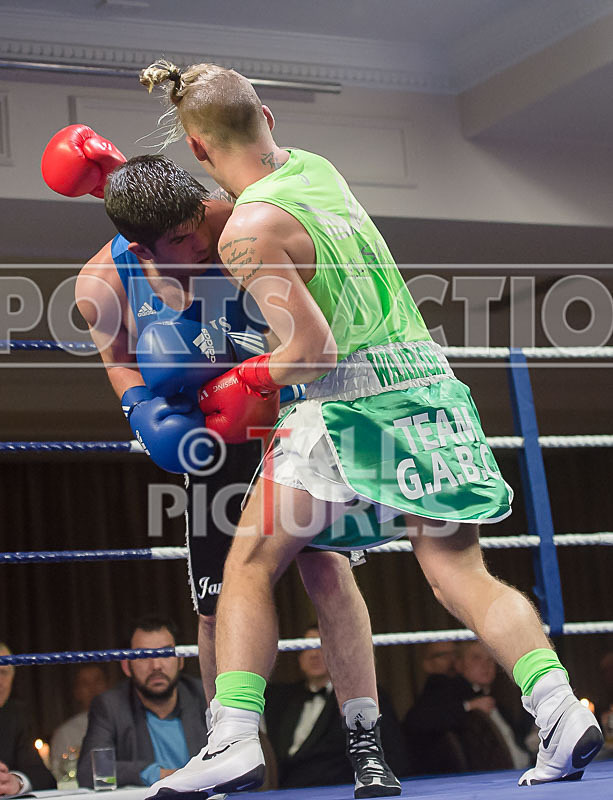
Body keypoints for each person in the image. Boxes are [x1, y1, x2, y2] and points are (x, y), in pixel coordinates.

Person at [136, 59, 603, 796]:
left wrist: (246, 379)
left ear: (196, 150)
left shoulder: (247, 232)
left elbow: (310, 348)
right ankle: (556, 705)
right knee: (458, 571)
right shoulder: (318, 169)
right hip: (431, 388)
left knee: (249, 566)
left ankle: (231, 741)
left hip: (347, 405)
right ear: (269, 120)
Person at [41, 134, 401, 796]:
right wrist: (142, 411)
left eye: (199, 221)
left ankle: (365, 742)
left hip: (289, 412)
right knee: (214, 603)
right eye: (181, 239)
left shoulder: (234, 216)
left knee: (326, 570)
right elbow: (118, 359)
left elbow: (311, 318)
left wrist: (251, 371)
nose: (202, 238)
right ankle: (226, 745)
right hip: (209, 437)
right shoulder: (102, 283)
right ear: (144, 248)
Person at [265, 626, 408, 789]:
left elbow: (392, 749)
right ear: (299, 657)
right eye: (307, 647)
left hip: (339, 790)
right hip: (283, 791)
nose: (314, 654)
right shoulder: (281, 698)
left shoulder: (362, 696)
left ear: (337, 653)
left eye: (321, 646)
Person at [77, 616, 206, 788]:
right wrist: (160, 775)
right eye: (144, 656)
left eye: (166, 654)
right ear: (126, 666)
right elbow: (88, 772)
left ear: (180, 660)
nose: (156, 666)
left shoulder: (205, 695)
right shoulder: (110, 706)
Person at [404, 640, 533, 773]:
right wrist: (468, 706)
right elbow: (416, 720)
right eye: (476, 658)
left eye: (490, 659)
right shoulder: (447, 693)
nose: (486, 665)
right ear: (459, 664)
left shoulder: (499, 703)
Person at [0, 642, 56, 795]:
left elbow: (45, 779)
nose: (0, 682)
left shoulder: (16, 717)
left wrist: (15, 782)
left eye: (4, 673)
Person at [49, 664, 109, 779]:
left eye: (98, 681)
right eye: (85, 683)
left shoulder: (126, 722)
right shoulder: (64, 733)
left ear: (107, 685)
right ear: (77, 692)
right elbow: (58, 775)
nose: (93, 688)